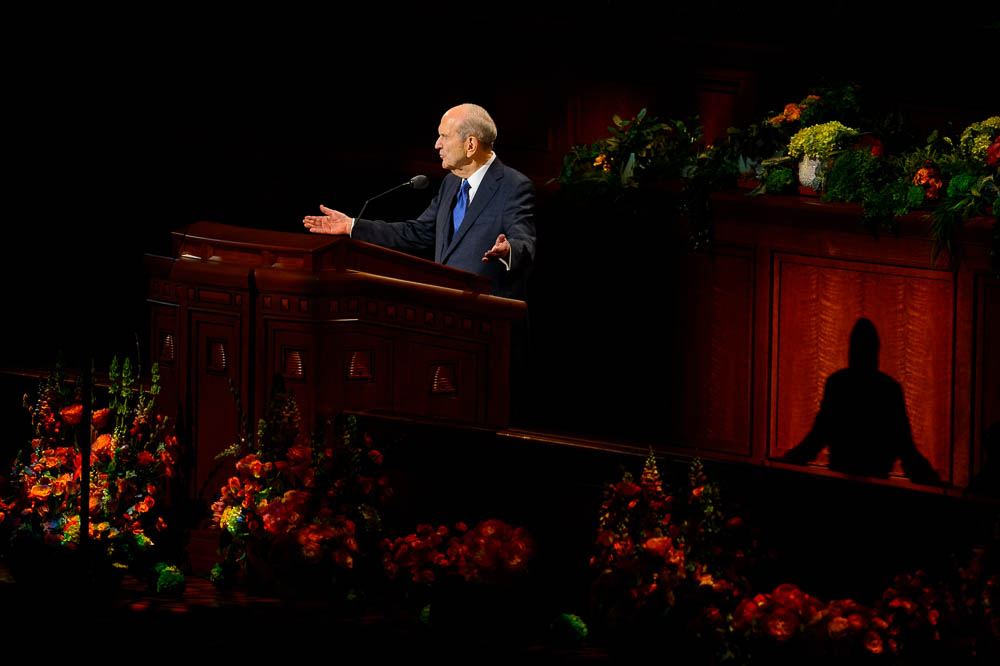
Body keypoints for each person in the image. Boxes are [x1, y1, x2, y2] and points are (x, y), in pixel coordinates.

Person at [303, 103, 536, 300]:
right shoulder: (451, 183)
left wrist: (508, 251)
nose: (437, 144)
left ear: (471, 145)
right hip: (445, 311)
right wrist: (352, 225)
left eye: (444, 136)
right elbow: (416, 232)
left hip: (489, 320)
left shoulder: (513, 186)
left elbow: (524, 242)